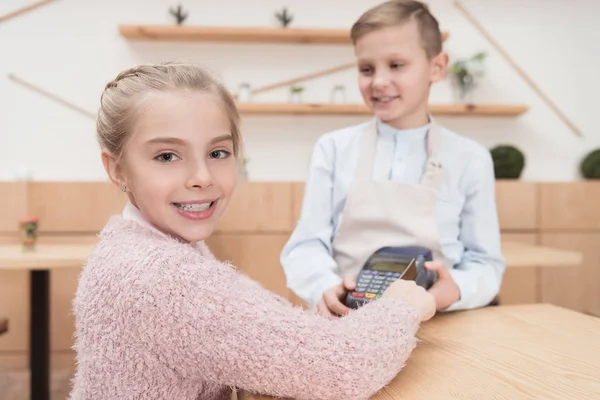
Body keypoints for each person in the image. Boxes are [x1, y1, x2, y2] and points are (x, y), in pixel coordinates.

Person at [69, 62, 437, 400]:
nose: (202, 178)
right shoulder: (158, 276)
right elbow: (341, 369)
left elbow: (243, 324)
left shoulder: (139, 248)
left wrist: (321, 318)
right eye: (167, 156)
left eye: (218, 153)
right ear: (116, 168)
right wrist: (402, 308)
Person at [281, 0, 506, 318]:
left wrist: (456, 289)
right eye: (366, 69)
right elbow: (305, 245)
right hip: (346, 320)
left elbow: (486, 263)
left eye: (397, 65)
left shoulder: (471, 158)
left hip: (440, 322)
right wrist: (324, 287)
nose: (378, 82)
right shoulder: (332, 149)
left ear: (436, 67)